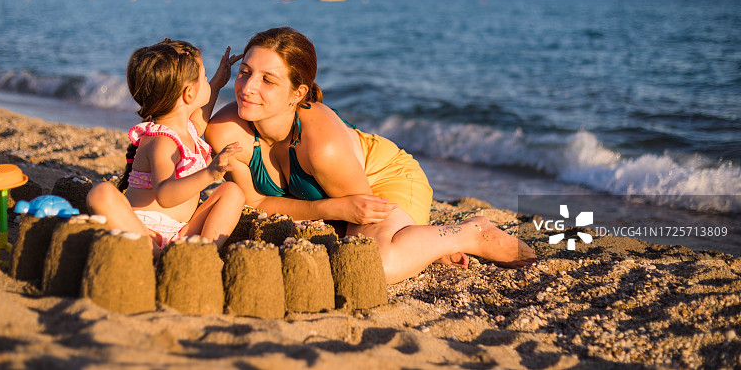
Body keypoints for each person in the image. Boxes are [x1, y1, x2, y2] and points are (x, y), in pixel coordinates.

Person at [207, 27, 537, 284]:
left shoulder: (322, 146)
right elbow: (257, 202)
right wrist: (331, 208)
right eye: (245, 72)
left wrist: (345, 214)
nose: (247, 87)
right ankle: (423, 246)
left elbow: (361, 211)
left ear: (298, 93)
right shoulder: (226, 131)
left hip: (386, 180)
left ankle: (470, 232)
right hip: (341, 202)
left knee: (376, 262)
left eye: (268, 80)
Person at [87, 39, 246, 254]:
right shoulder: (162, 142)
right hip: (144, 232)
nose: (207, 81)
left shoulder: (187, 131)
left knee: (232, 192)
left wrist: (217, 83)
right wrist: (209, 173)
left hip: (181, 234)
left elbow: (201, 118)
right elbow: (165, 194)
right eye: (205, 77)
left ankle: (202, 253)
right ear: (189, 94)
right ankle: (158, 256)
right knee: (102, 193)